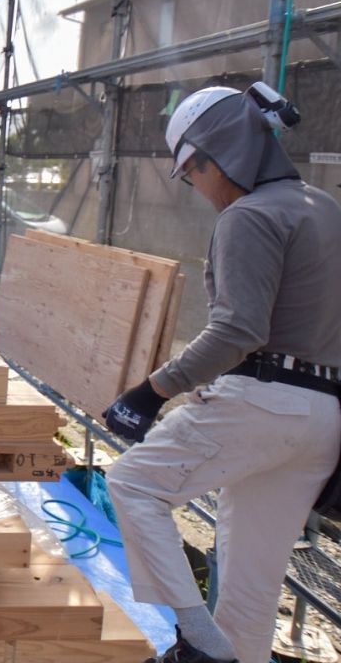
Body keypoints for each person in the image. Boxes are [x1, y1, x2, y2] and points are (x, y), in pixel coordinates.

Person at [102, 83, 341, 663]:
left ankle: (198, 645)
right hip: (323, 418)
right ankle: (222, 645)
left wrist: (151, 390)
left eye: (192, 173)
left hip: (263, 400)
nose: (197, 189)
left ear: (218, 155)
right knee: (249, 595)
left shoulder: (249, 216)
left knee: (133, 484)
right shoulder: (326, 208)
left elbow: (238, 332)